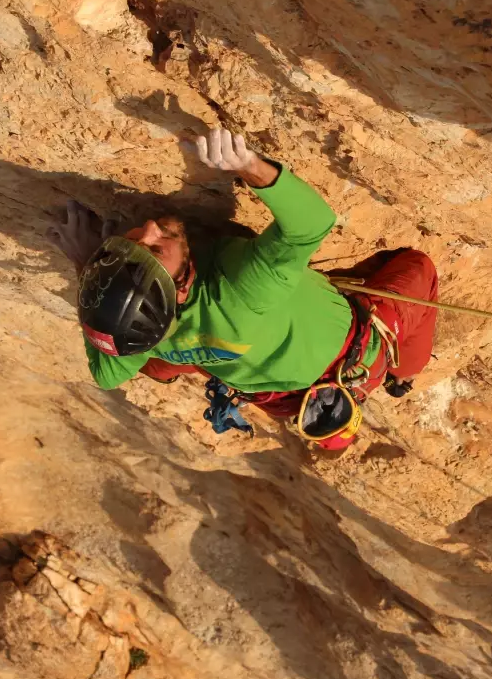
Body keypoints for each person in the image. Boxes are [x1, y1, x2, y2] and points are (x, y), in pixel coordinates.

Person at [49, 126, 438, 449]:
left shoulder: (143, 332)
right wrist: (250, 167)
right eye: (155, 250)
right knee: (416, 267)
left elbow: (107, 375)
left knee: (156, 362)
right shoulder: (244, 284)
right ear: (180, 289)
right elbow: (312, 223)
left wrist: (92, 273)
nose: (150, 227)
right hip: (353, 361)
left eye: (132, 243)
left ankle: (169, 368)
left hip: (270, 395)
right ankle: (404, 372)